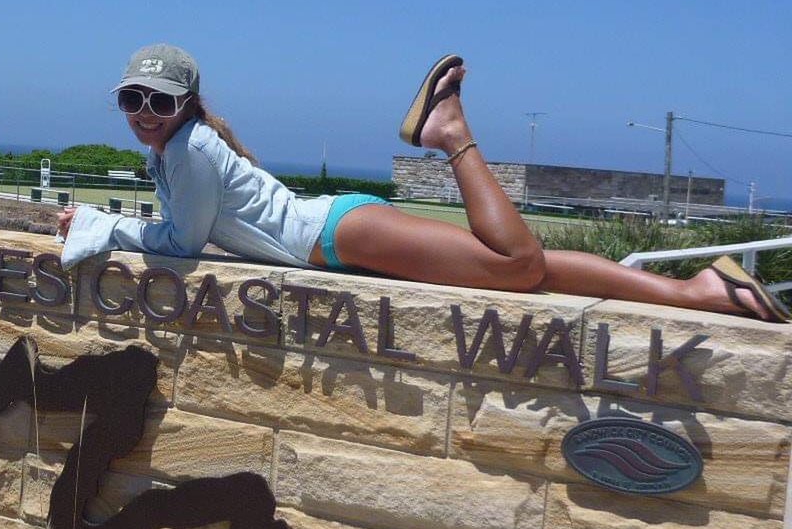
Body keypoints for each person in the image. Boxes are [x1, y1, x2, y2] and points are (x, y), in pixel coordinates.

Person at [57, 44, 789, 322]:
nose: (144, 114)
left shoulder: (187, 152)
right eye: (133, 99)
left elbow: (181, 240)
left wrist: (100, 225)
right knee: (529, 280)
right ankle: (700, 290)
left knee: (519, 264)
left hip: (335, 236)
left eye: (158, 100)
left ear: (185, 102)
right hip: (336, 236)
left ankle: (449, 130)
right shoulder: (180, 146)